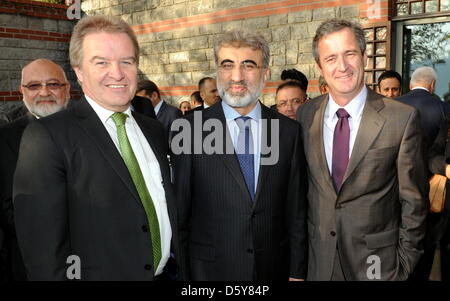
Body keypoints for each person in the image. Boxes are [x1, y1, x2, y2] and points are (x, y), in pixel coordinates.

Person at [13, 15, 183, 281]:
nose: (117, 73)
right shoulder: (47, 136)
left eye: (126, 61)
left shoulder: (153, 130)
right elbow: (44, 252)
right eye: (101, 62)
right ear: (79, 72)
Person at [297, 18, 428, 281]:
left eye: (350, 54)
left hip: (378, 265)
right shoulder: (305, 114)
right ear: (319, 67)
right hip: (318, 261)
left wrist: (403, 266)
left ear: (365, 57)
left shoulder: (401, 118)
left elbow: (413, 202)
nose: (342, 66)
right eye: (331, 58)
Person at [172, 29, 307, 281]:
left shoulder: (287, 132)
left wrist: (297, 272)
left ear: (265, 74)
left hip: (272, 270)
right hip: (209, 273)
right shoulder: (189, 130)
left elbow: (296, 210)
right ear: (217, 72)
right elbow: (180, 213)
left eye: (248, 65)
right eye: (227, 65)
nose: (237, 76)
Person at [0, 59, 70, 281]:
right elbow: (11, 211)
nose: (44, 92)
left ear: (67, 89)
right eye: (34, 86)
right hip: (33, 264)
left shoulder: (92, 129)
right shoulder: (5, 139)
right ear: (22, 91)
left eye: (53, 84)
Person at [397, 66, 448, 281]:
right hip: (432, 188)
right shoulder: (444, 109)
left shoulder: (392, 107)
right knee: (426, 241)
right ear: (433, 86)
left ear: (410, 84)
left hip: (397, 185)